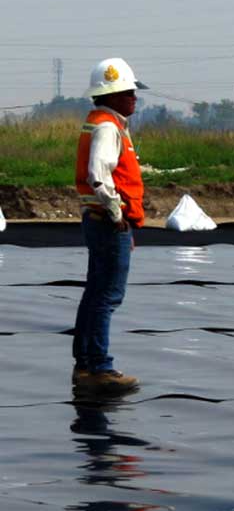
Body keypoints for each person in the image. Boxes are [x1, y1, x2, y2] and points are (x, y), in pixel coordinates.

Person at [71, 58, 149, 393]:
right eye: (128, 92)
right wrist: (118, 216)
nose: (134, 97)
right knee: (107, 295)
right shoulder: (107, 127)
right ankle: (99, 368)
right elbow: (99, 177)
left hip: (102, 221)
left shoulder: (105, 123)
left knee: (96, 292)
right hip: (107, 221)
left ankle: (86, 365)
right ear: (111, 95)